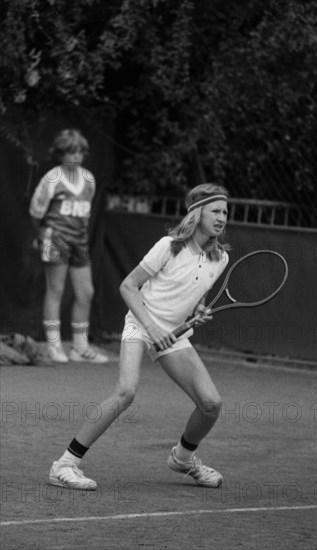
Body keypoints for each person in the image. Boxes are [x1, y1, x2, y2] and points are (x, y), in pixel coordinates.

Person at [48, 183, 230, 489]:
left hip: (173, 335)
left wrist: (198, 312)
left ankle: (183, 458)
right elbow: (128, 287)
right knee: (126, 392)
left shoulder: (219, 259)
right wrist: (153, 328)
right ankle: (64, 465)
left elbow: (195, 294)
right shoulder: (168, 246)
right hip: (141, 323)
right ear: (197, 214)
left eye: (225, 211)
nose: (222, 217)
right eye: (215, 210)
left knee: (211, 403)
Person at [29, 129, 108, 364]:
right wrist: (42, 234)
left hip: (80, 241)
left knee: (86, 292)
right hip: (55, 239)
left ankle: (79, 347)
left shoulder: (89, 179)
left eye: (80, 152)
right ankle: (54, 346)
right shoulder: (52, 178)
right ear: (60, 154)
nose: (76, 156)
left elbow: (85, 212)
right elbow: (36, 212)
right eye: (70, 152)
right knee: (56, 290)